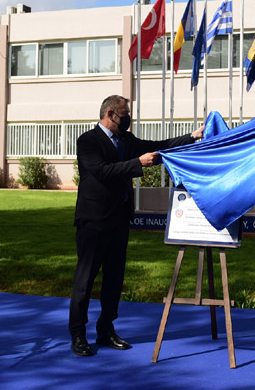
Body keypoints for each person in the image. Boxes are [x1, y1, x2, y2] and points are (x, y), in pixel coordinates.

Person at [69, 95, 204, 357]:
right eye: (124, 114)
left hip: (120, 220)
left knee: (114, 278)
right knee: (84, 281)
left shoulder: (126, 141)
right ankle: (78, 334)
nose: (128, 118)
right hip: (93, 221)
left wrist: (192, 137)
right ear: (110, 114)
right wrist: (136, 164)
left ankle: (106, 328)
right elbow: (102, 171)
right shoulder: (88, 141)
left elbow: (158, 146)